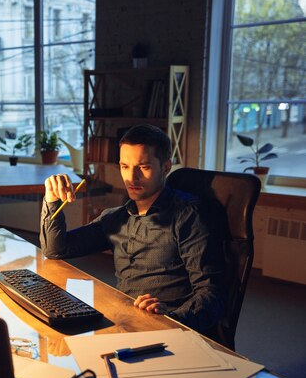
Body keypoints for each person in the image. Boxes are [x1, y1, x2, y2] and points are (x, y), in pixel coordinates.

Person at [40, 124, 225, 333]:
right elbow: (56, 250)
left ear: (165, 167)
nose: (131, 177)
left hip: (168, 330)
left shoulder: (188, 216)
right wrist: (51, 199)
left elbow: (212, 294)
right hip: (124, 323)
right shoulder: (116, 218)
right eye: (124, 166)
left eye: (143, 167)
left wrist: (171, 319)